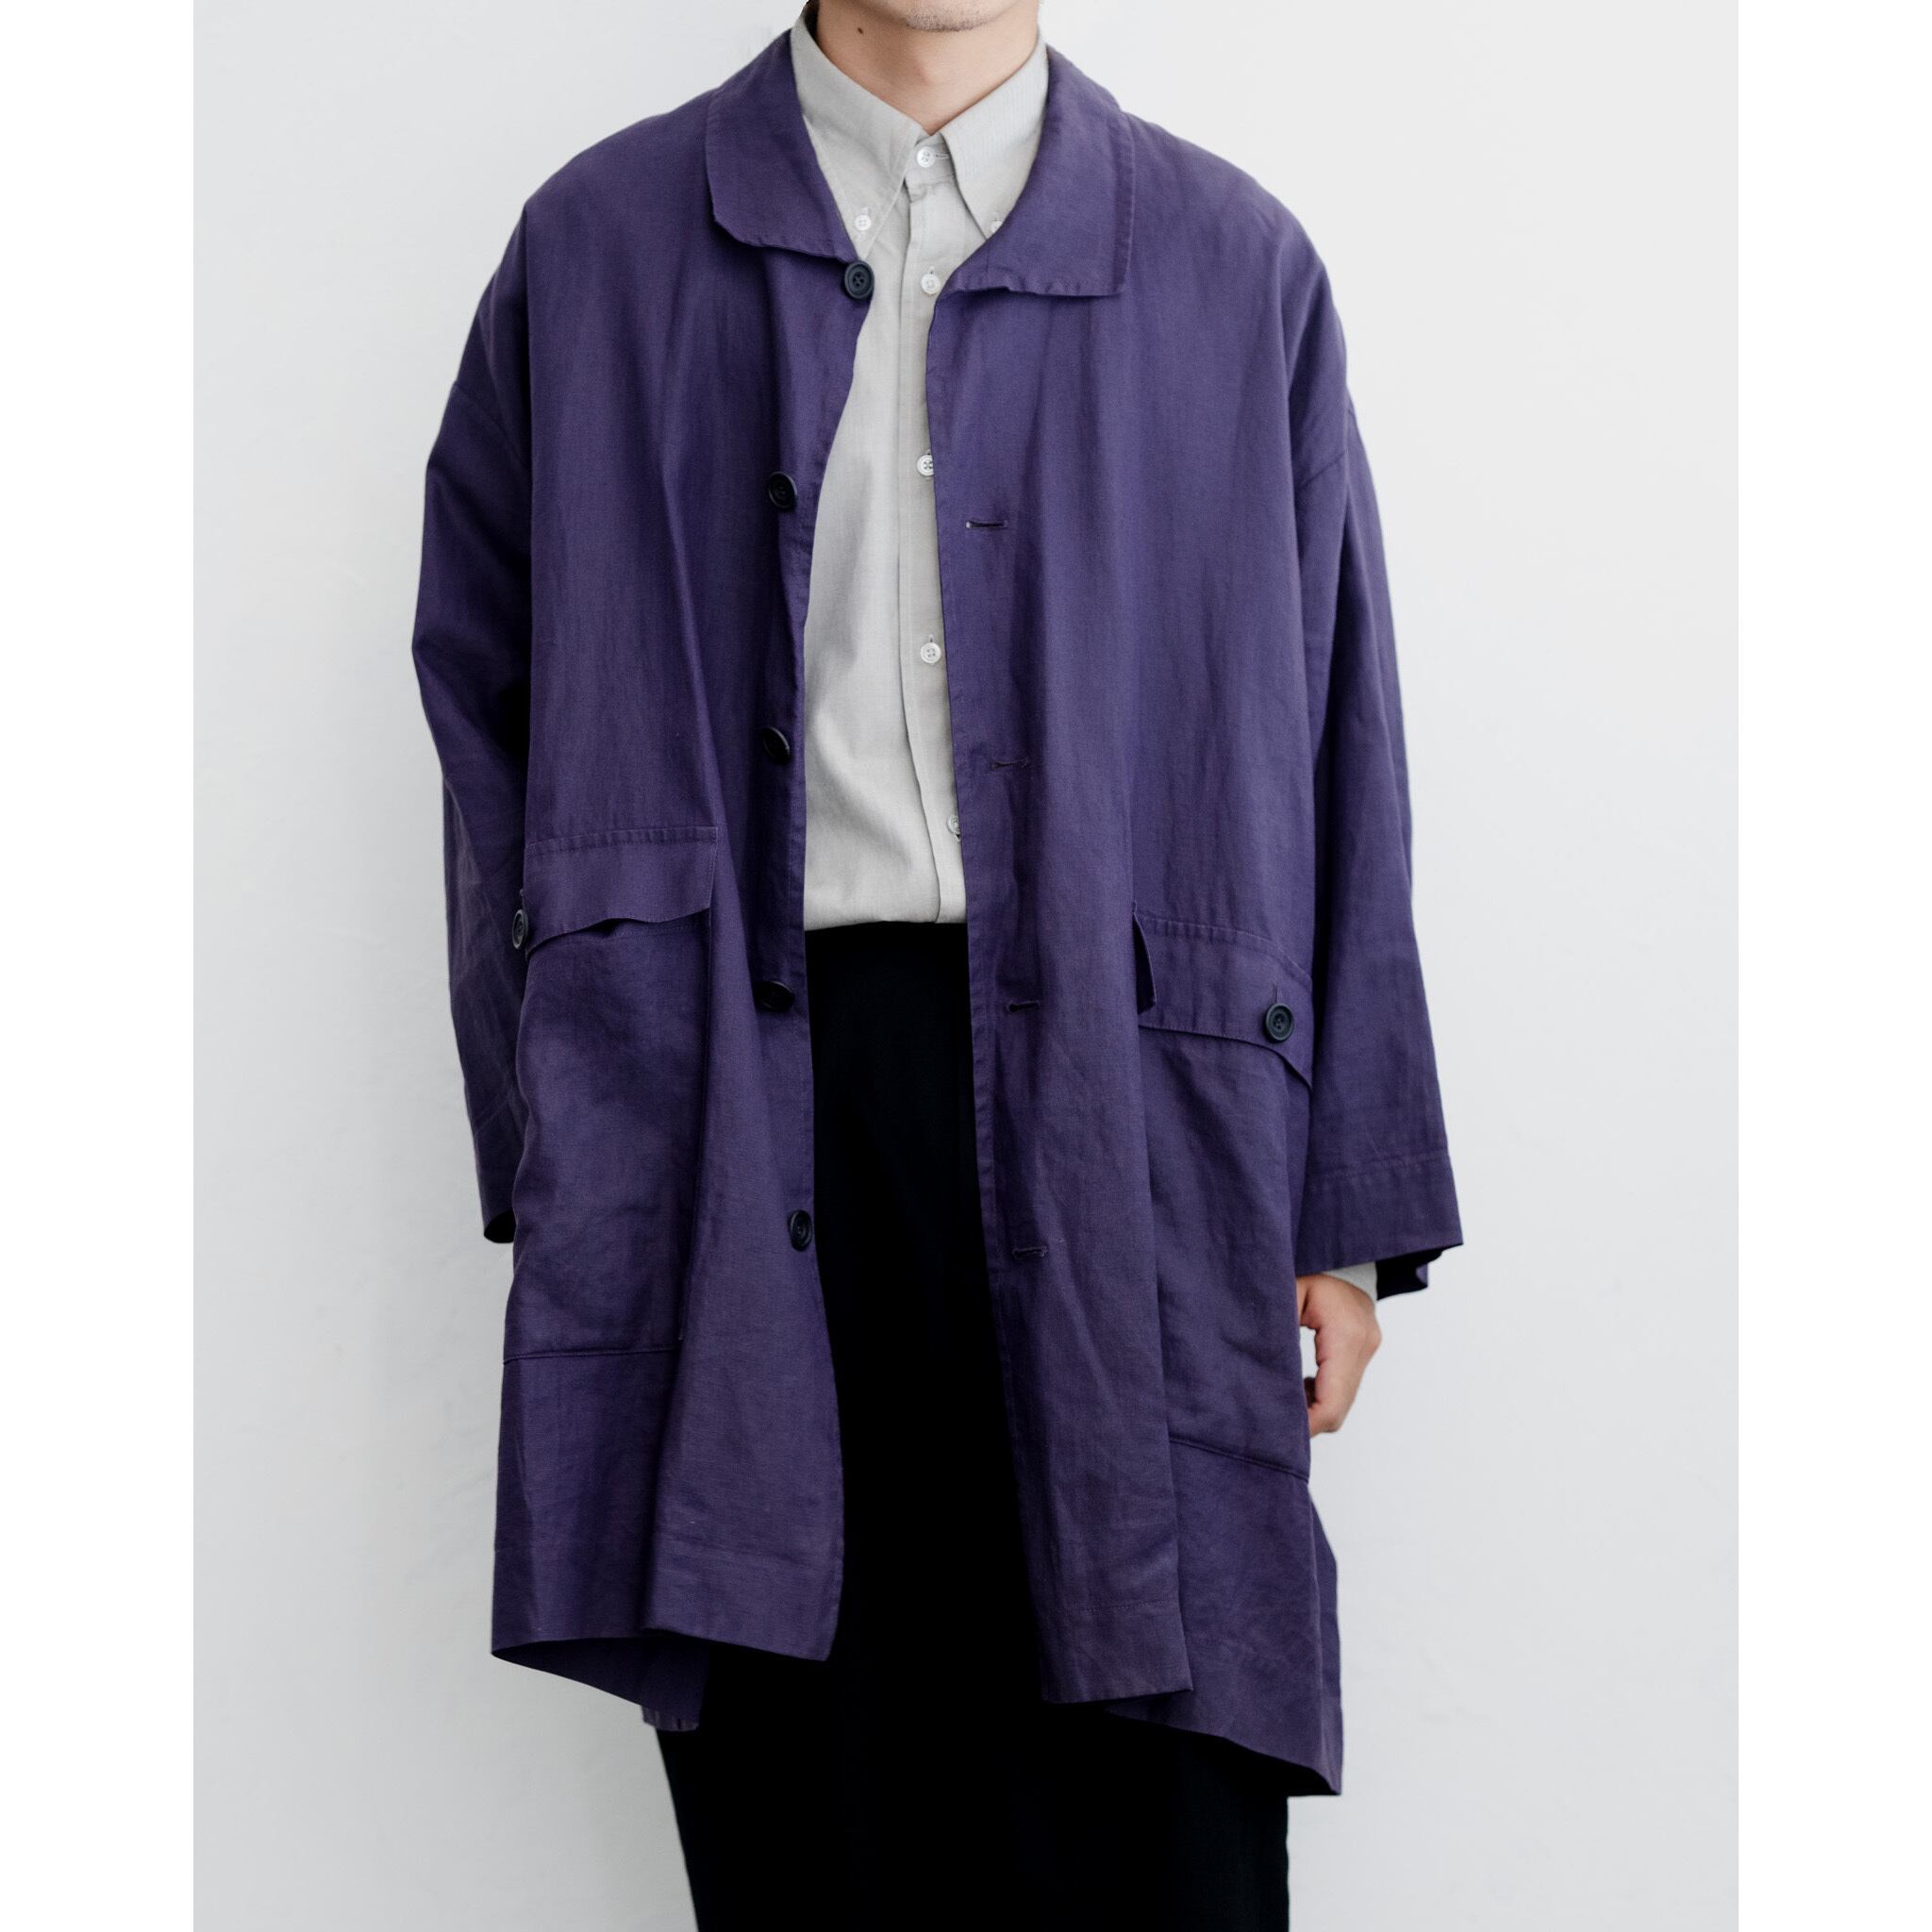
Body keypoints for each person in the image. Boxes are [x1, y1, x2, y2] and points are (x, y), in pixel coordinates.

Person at [411, 3, 1460, 1924]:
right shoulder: (602, 244)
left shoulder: (1230, 264)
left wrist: (1346, 1204)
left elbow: (1340, 744)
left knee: (1164, 1802)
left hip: (1136, 1118)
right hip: (739, 1117)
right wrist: (559, 1142)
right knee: (810, 1815)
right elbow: (487, 704)